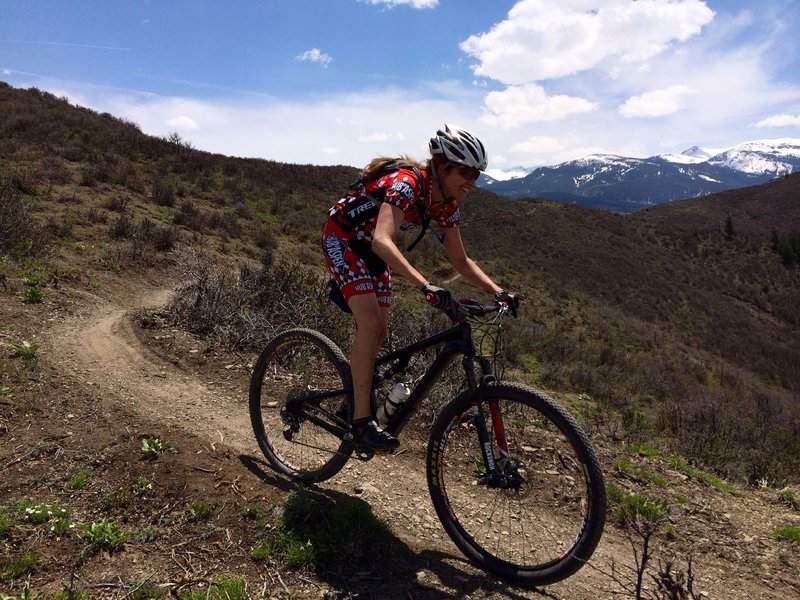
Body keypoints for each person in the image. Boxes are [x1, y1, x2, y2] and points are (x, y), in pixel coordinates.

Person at [322, 124, 518, 450]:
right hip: (343, 239)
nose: (472, 182)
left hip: (371, 253)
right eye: (466, 172)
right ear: (442, 167)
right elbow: (383, 239)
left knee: (380, 331)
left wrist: (498, 291)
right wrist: (426, 286)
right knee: (370, 324)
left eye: (477, 175)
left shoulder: (446, 205)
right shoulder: (407, 184)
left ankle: (352, 403)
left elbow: (460, 260)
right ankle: (360, 423)